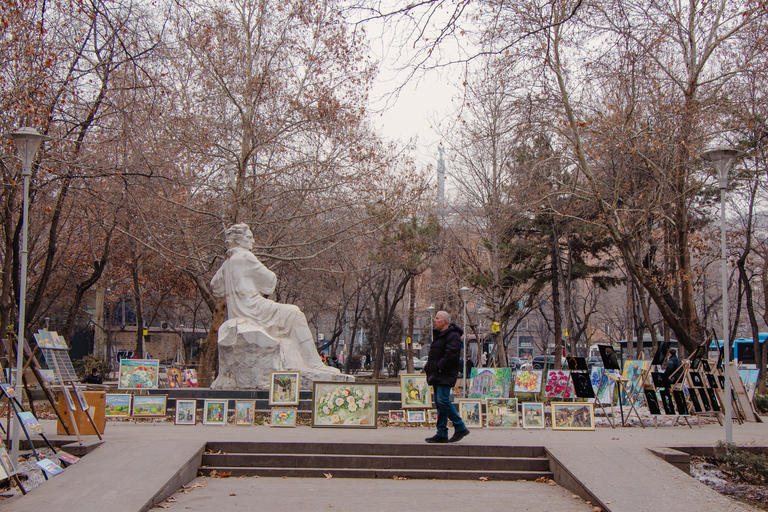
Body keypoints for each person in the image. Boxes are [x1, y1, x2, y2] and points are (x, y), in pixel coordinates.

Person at [211, 224, 341, 375]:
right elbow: (270, 281)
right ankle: (314, 363)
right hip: (253, 308)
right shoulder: (246, 256)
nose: (253, 240)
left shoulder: (227, 263)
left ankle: (312, 363)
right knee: (294, 313)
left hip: (239, 313)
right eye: (249, 237)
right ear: (239, 240)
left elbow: (215, 287)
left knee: (292, 313)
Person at [424, 311, 470, 444]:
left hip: (445, 373)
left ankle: (460, 427)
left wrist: (438, 366)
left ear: (444, 321)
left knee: (443, 400)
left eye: (437, 318)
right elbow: (435, 354)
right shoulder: (440, 335)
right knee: (439, 403)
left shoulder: (453, 336)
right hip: (437, 373)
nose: (434, 320)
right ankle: (441, 433)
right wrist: (429, 367)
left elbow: (451, 355)